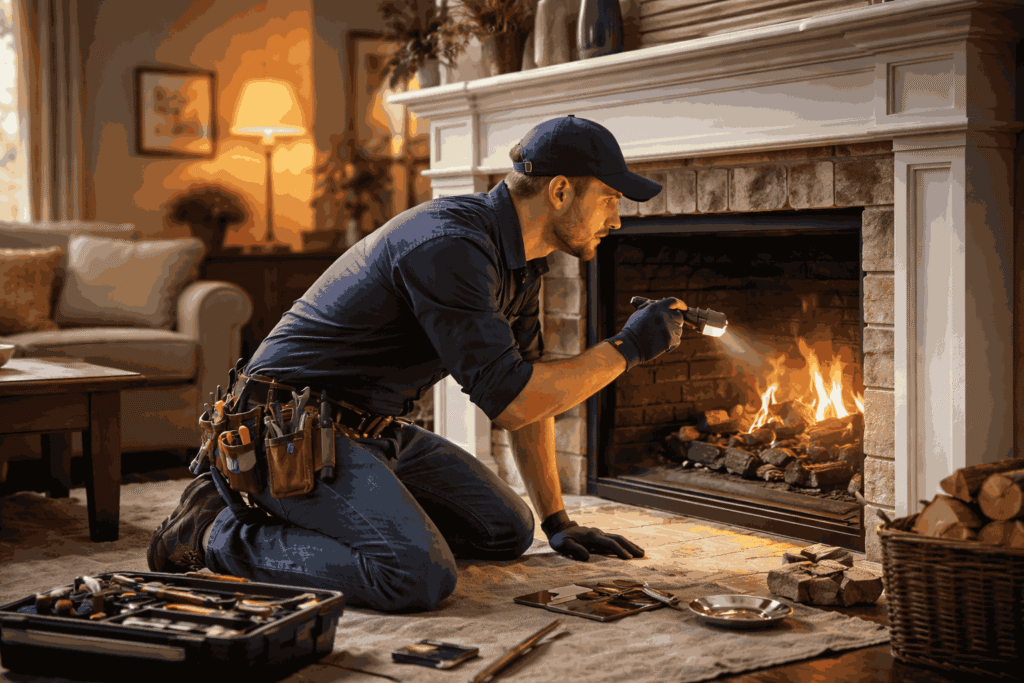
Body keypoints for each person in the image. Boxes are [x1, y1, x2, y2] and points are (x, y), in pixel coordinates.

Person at [147, 115, 688, 612]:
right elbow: (515, 400)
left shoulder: (520, 263)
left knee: (507, 531)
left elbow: (530, 393)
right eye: (611, 199)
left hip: (372, 431)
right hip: (286, 430)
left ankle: (334, 512)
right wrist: (629, 348)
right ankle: (214, 533)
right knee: (415, 575)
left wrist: (557, 520)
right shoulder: (450, 244)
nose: (616, 220)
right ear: (561, 190)